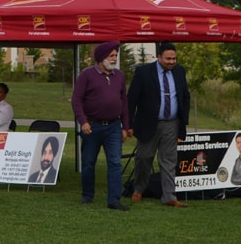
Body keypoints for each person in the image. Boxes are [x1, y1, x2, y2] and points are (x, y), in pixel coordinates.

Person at [128, 42, 191, 207]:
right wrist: (128, 124)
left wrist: (183, 122)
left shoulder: (179, 71)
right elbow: (132, 99)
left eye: (174, 58)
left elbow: (185, 96)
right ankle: (138, 189)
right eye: (168, 59)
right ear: (159, 57)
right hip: (148, 124)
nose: (172, 62)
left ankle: (169, 196)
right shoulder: (143, 72)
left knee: (169, 161)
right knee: (144, 158)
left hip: (172, 124)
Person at [71, 41, 130, 210]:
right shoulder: (87, 75)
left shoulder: (119, 76)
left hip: (113, 126)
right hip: (92, 126)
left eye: (116, 55)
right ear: (101, 57)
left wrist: (125, 127)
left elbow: (124, 102)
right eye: (111, 56)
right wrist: (83, 121)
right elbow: (76, 100)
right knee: (89, 163)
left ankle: (114, 200)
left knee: (115, 163)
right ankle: (87, 195)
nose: (114, 59)